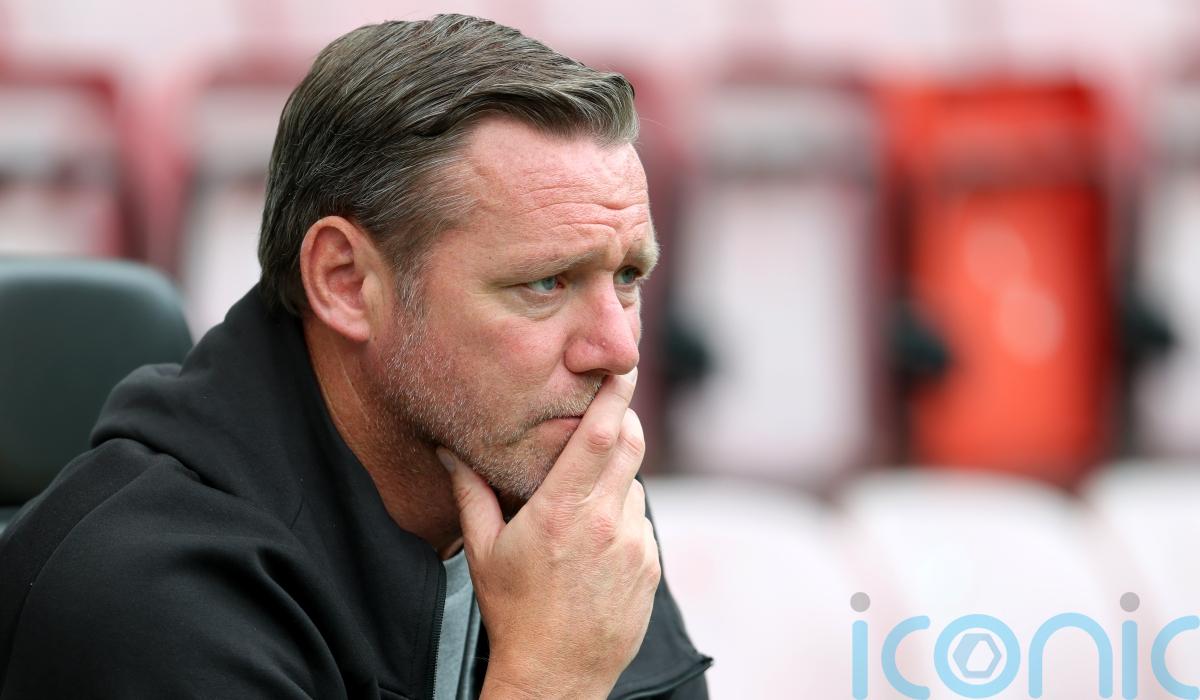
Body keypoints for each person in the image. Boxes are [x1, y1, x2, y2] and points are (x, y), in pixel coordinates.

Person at [0, 14, 710, 699]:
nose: (617, 350)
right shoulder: (147, 597)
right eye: (546, 283)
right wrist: (549, 680)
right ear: (346, 282)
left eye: (627, 277)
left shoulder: (570, 507)